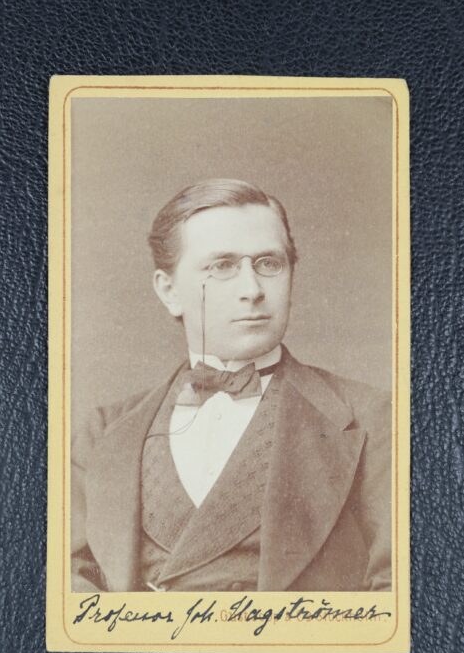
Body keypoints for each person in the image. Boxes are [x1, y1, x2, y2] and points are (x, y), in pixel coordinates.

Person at [71, 178, 391, 593]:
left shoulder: (375, 420)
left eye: (269, 264)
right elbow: (64, 590)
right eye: (222, 266)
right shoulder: (102, 434)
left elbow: (398, 594)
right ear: (169, 291)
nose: (252, 290)